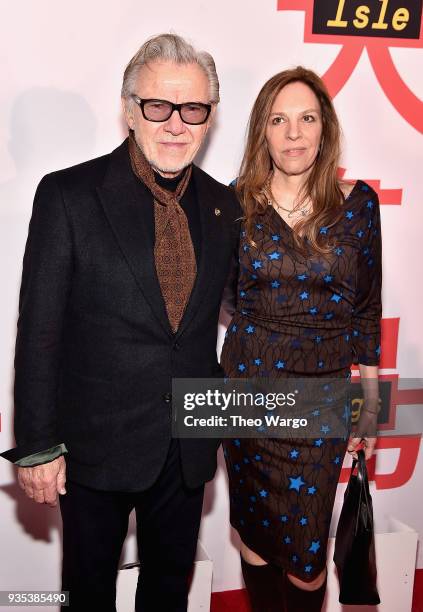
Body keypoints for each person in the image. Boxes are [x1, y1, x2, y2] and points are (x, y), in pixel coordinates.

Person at [1, 33, 239, 612]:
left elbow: (244, 309)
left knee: (168, 593)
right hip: (94, 445)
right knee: (88, 597)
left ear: (209, 117)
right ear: (129, 109)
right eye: (158, 106)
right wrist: (35, 447)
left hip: (187, 445)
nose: (176, 123)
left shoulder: (223, 205)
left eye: (193, 109)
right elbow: (39, 331)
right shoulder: (69, 195)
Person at [221, 67, 382, 611]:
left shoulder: (358, 205)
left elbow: (366, 308)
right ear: (261, 132)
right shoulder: (236, 205)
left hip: (322, 403)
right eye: (279, 119)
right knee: (255, 537)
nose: (293, 133)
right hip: (247, 392)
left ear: (325, 127)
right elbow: (225, 298)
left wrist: (370, 405)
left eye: (306, 118)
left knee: (308, 559)